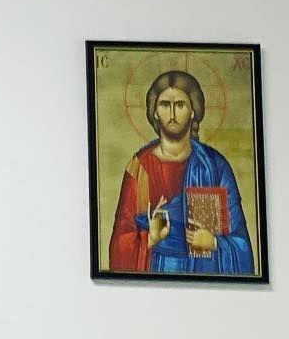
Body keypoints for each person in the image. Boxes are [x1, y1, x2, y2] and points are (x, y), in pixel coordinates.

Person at [108, 69, 253, 274]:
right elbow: (120, 242)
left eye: (180, 105)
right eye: (165, 105)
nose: (173, 114)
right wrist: (149, 239)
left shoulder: (215, 166)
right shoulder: (140, 168)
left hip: (205, 275)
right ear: (155, 112)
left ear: (193, 111)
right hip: (154, 273)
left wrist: (214, 242)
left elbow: (241, 243)